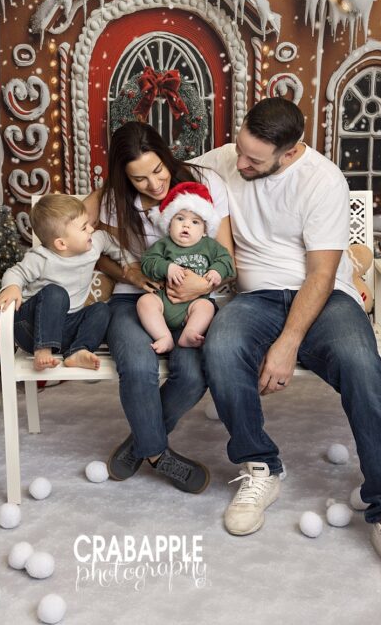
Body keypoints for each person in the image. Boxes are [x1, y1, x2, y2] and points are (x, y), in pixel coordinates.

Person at [197, 97, 381, 602]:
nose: (242, 164)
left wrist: (286, 345)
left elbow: (322, 275)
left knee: (362, 365)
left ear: (291, 150)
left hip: (322, 296)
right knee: (222, 347)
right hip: (254, 297)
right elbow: (156, 180)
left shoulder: (322, 180)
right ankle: (261, 466)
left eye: (256, 160)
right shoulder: (227, 158)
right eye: (240, 150)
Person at [87, 121, 233, 495]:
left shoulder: (205, 183)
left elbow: (226, 254)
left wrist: (204, 284)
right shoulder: (114, 197)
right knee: (137, 365)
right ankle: (157, 454)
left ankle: (140, 443)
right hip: (135, 298)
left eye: (157, 170)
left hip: (195, 301)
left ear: (168, 157)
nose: (153, 184)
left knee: (193, 373)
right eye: (139, 179)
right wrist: (129, 273)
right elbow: (88, 247)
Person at [0, 194, 129, 371]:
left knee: (102, 310)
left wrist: (131, 264)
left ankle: (78, 350)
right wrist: (12, 286)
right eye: (84, 227)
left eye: (89, 223)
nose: (91, 229)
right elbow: (16, 272)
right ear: (61, 244)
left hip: (66, 330)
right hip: (31, 328)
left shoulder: (94, 243)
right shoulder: (41, 258)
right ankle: (42, 350)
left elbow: (112, 244)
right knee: (56, 293)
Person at [138, 182, 235, 353]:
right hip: (163, 301)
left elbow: (227, 260)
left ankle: (189, 333)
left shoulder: (210, 246)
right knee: (145, 302)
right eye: (180, 218)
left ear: (205, 230)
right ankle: (163, 336)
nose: (186, 225)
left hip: (194, 304)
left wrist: (216, 271)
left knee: (207, 307)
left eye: (195, 222)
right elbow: (147, 262)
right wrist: (167, 267)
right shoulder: (164, 245)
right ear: (169, 224)